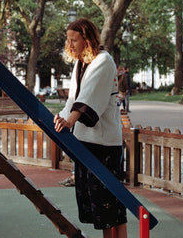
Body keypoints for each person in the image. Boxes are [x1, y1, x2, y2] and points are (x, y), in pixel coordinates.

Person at [53, 18, 127, 238]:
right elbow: (73, 99)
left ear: (87, 38)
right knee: (97, 205)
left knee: (110, 205)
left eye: (74, 40)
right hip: (86, 141)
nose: (70, 44)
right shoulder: (81, 63)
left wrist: (70, 121)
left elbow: (90, 96)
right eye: (68, 40)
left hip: (104, 143)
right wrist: (60, 119)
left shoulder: (103, 61)